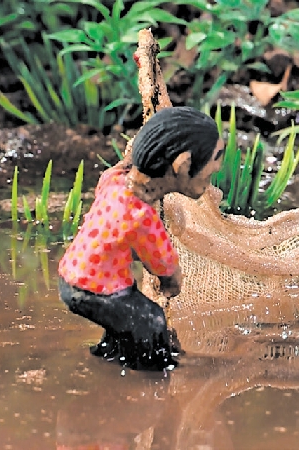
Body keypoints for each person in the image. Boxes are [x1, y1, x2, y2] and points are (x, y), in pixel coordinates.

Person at [58, 106, 224, 370]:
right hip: (95, 288)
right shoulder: (141, 215)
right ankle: (152, 381)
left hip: (73, 277)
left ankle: (111, 357)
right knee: (152, 321)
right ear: (183, 166)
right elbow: (162, 261)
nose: (213, 175)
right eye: (213, 164)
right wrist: (171, 282)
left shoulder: (114, 179)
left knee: (127, 319)